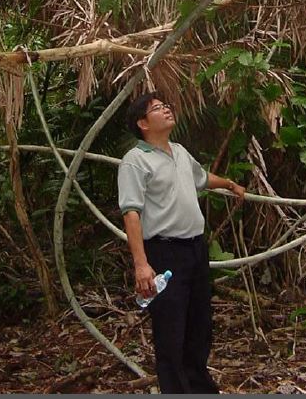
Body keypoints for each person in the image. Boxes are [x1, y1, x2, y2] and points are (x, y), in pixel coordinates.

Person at [118, 91, 245, 394]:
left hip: (195, 250)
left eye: (166, 106)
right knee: (171, 331)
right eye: (157, 109)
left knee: (199, 326)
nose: (166, 110)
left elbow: (201, 178)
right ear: (142, 123)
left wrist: (228, 183)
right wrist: (141, 264)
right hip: (164, 253)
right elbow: (131, 212)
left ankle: (200, 388)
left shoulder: (180, 151)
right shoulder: (135, 161)